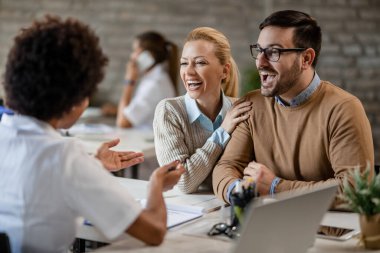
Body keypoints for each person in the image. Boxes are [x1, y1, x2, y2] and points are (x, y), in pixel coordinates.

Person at [0, 15, 185, 253]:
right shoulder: (65, 156)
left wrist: (93, 164)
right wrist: (156, 185)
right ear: (74, 99)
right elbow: (154, 230)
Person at [212, 10, 374, 208]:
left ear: (306, 59)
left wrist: (275, 188)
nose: (260, 62)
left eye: (273, 52)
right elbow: (227, 167)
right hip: (265, 226)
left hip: (326, 233)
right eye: (259, 50)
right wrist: (241, 191)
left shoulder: (344, 108)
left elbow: (354, 189)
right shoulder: (251, 105)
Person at [153, 27, 252, 194]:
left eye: (200, 62)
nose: (189, 72)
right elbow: (182, 182)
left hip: (232, 203)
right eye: (184, 63)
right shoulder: (169, 111)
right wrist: (222, 133)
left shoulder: (240, 109)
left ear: (224, 71)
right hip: (190, 210)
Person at [110, 31, 178, 129]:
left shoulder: (155, 84)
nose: (132, 57)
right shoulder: (156, 78)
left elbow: (122, 122)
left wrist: (129, 81)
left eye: (135, 51)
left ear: (148, 56)